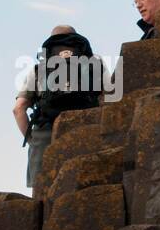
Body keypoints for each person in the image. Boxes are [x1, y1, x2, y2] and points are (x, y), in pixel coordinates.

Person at [14, 25, 102, 188]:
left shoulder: (39, 69)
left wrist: (34, 140)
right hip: (86, 131)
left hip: (46, 134)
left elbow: (18, 109)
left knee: (42, 193)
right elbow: (111, 98)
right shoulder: (95, 63)